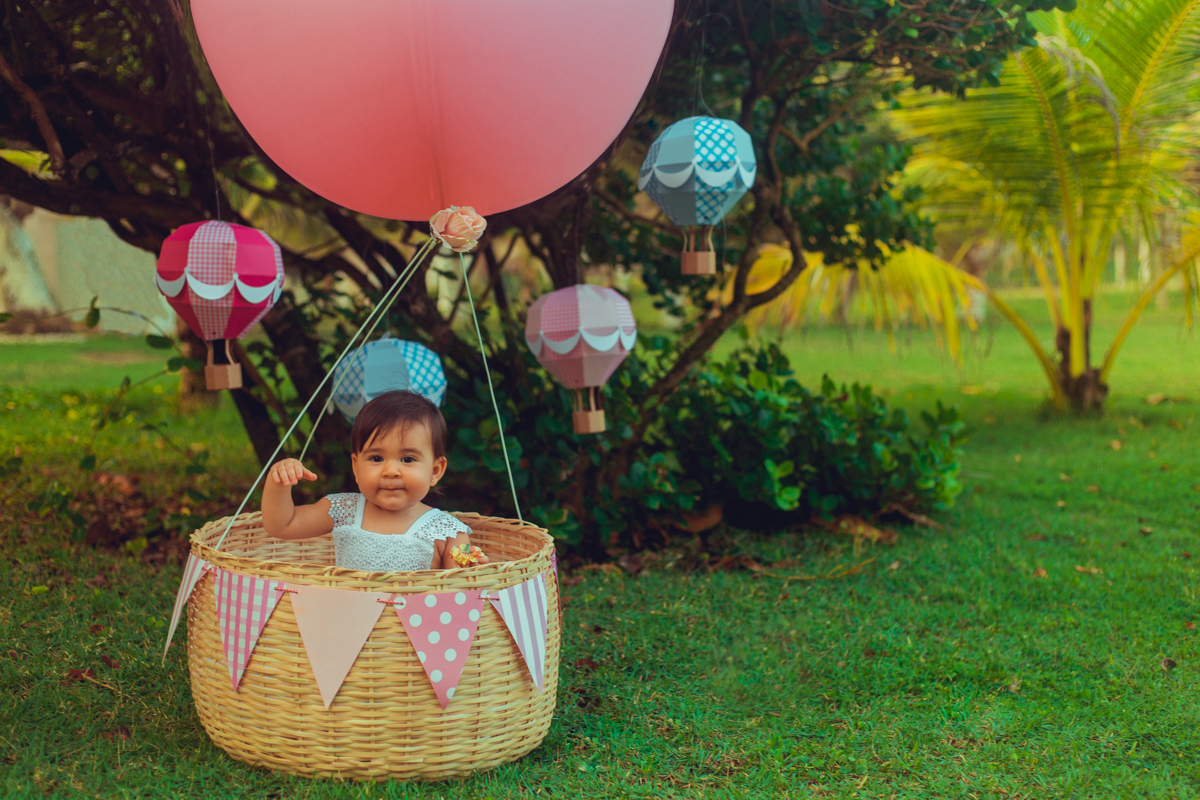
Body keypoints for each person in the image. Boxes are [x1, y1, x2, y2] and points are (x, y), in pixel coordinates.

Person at [260, 390, 488, 571]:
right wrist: (279, 481)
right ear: (356, 467)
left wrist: (473, 568)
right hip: (349, 624)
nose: (390, 471)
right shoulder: (343, 511)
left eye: (407, 459)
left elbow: (461, 587)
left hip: (411, 628)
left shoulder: (446, 532)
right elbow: (282, 525)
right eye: (376, 458)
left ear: (435, 471)